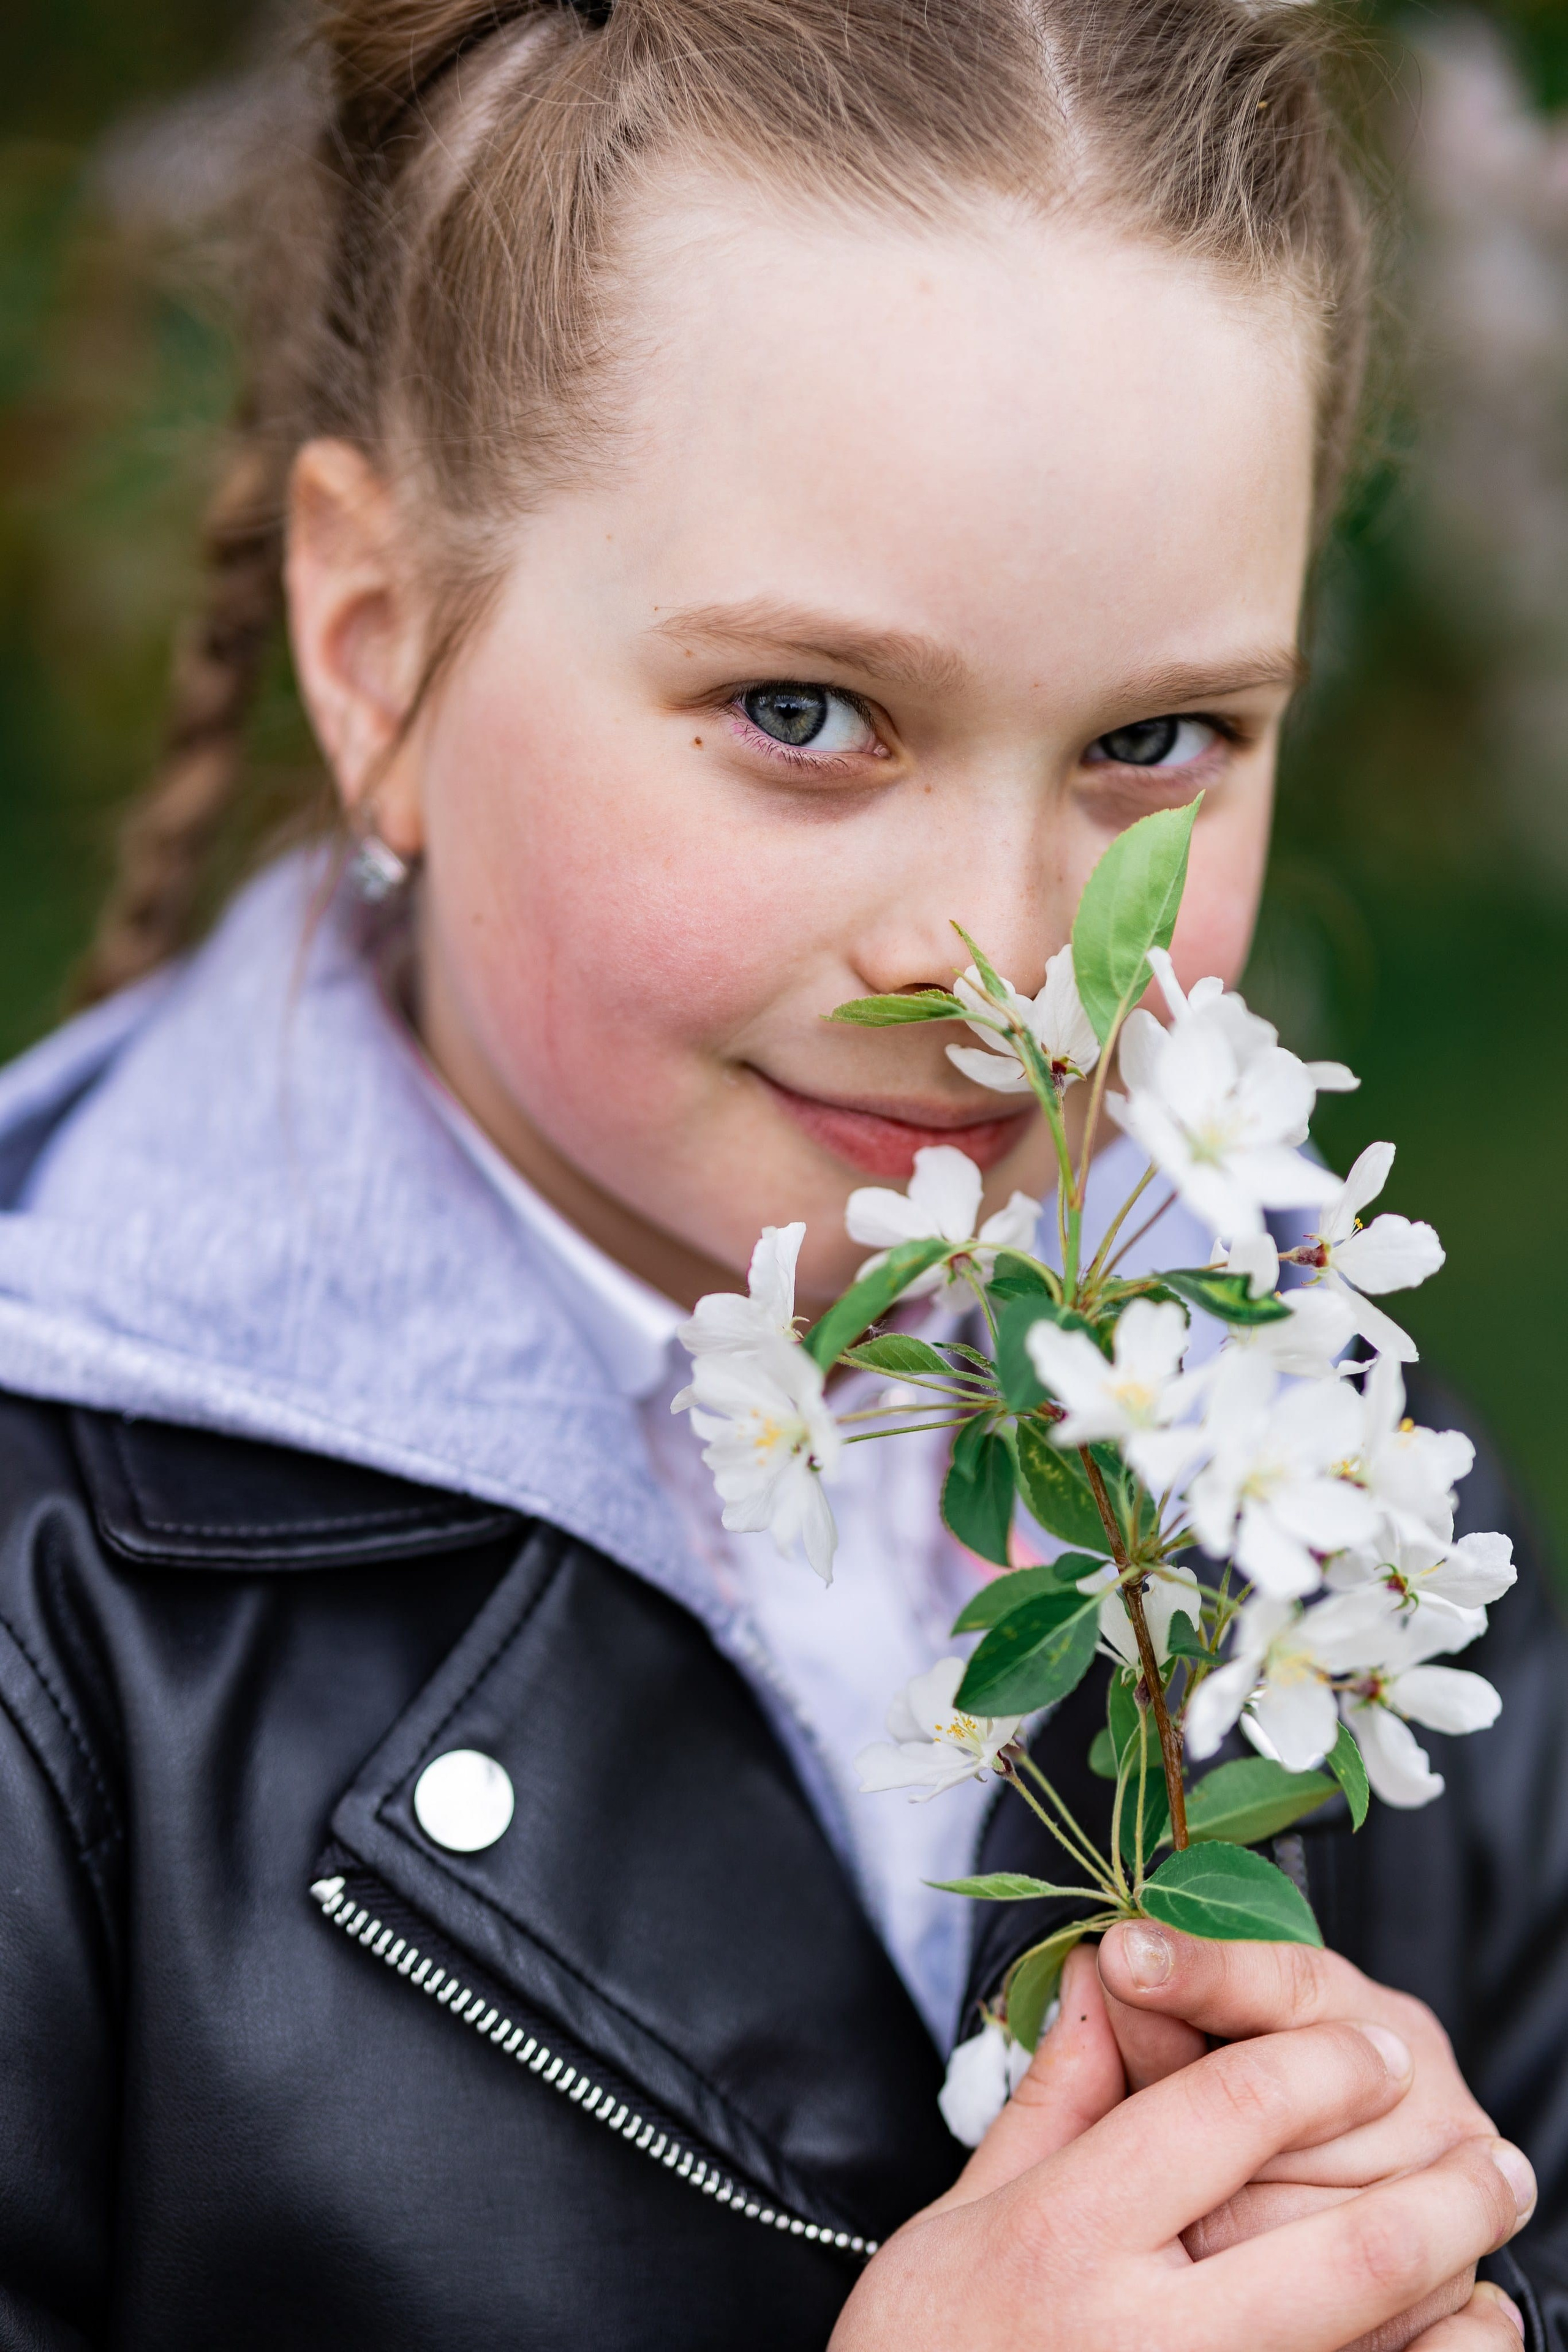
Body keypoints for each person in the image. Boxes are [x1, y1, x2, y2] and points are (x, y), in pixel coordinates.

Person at [0, 0, 1559, 2345]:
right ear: (380, 652)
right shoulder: (64, 1641)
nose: (1005, 967)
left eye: (1155, 742)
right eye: (806, 716)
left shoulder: (1339, 1491)